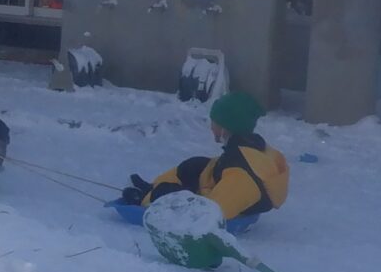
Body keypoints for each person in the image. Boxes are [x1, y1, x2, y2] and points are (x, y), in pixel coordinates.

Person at [121, 90, 289, 222]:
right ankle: (152, 188)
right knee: (195, 166)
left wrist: (160, 196)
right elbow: (222, 167)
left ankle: (147, 199)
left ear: (225, 127)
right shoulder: (248, 147)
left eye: (214, 123)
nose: (211, 128)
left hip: (230, 202)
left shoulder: (242, 173)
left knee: (166, 193)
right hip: (230, 188)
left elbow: (212, 213)